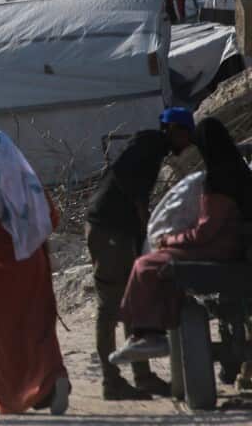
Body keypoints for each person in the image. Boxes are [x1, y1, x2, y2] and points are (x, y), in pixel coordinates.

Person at [113, 118, 251, 363]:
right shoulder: (244, 175)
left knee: (145, 265)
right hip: (237, 247)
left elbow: (205, 232)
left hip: (219, 251)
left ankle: (149, 334)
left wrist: (171, 239)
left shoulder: (218, 181)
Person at [85, 108, 194, 399]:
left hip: (117, 230)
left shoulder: (153, 147)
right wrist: (145, 224)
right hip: (108, 229)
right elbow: (130, 185)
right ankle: (112, 381)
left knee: (132, 297)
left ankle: (142, 376)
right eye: (185, 133)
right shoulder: (150, 143)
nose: (187, 142)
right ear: (173, 129)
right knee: (110, 304)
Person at [0, 131, 70, 415]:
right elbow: (52, 218)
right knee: (35, 326)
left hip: (1, 272)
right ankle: (53, 380)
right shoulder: (31, 183)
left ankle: (5, 397)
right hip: (33, 265)